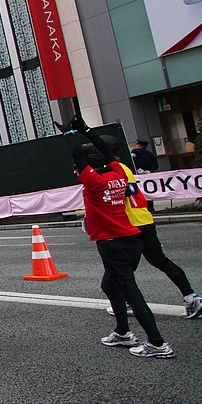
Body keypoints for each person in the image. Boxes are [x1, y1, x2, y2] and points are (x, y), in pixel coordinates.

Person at [59, 118, 172, 358]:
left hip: (112, 244)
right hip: (131, 240)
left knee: (130, 292)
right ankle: (122, 332)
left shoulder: (94, 183)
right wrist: (86, 130)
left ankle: (157, 343)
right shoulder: (119, 173)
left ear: (89, 168)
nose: (76, 170)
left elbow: (78, 154)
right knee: (109, 285)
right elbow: (107, 150)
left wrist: (69, 133)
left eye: (79, 168)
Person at [114, 158, 202, 319]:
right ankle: (191, 297)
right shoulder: (123, 167)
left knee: (122, 267)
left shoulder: (111, 169)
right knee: (160, 260)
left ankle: (129, 303)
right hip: (145, 218)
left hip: (129, 223)